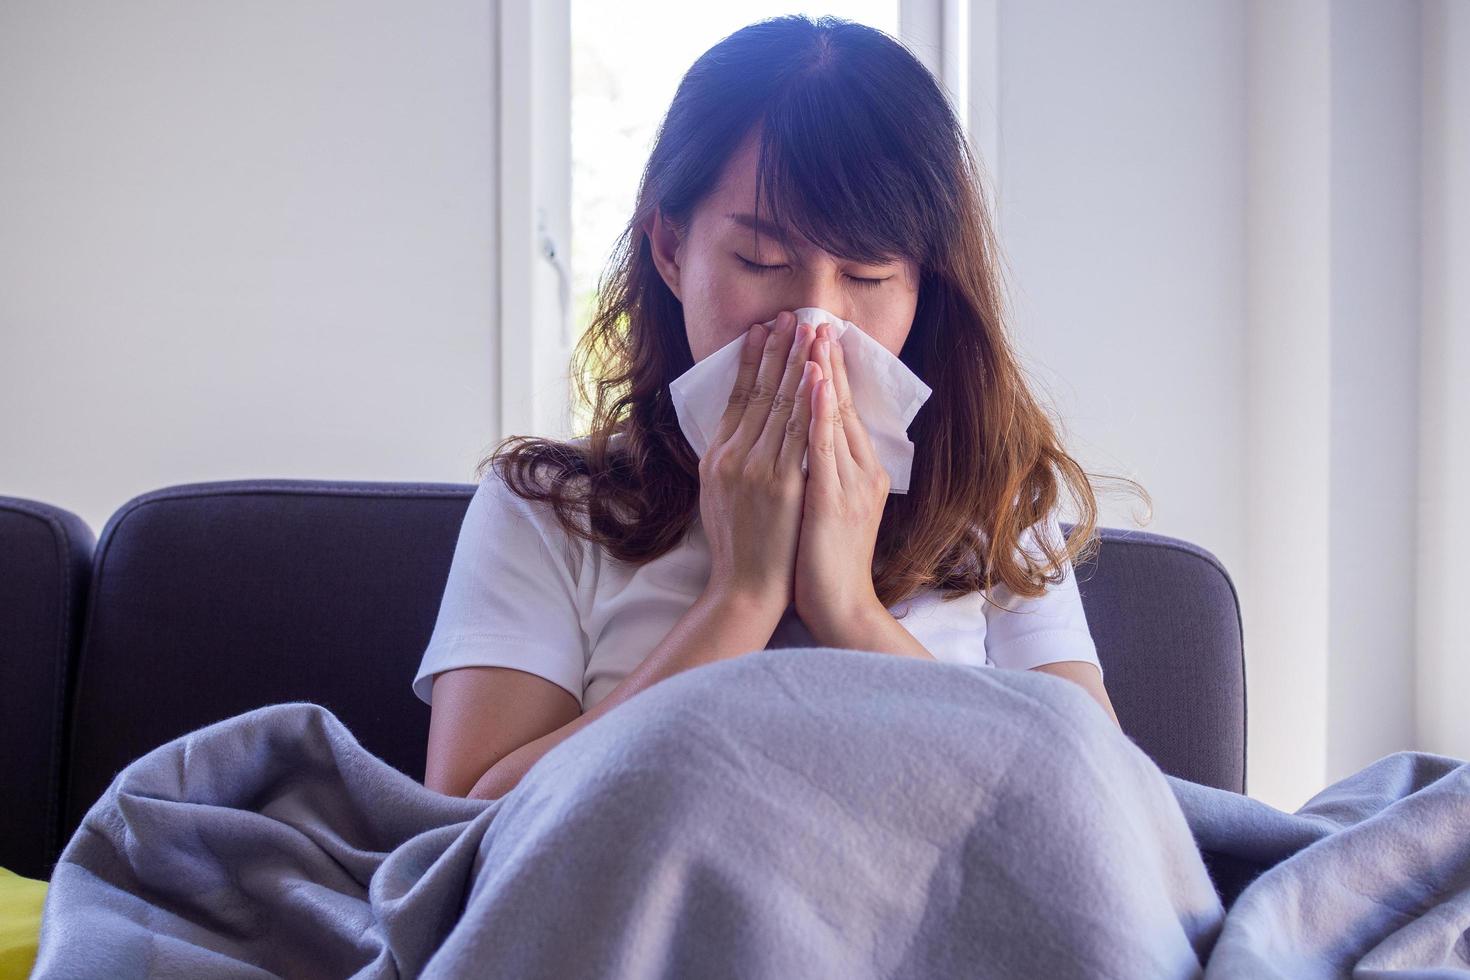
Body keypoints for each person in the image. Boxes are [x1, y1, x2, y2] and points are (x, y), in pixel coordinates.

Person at [416, 14, 1149, 800]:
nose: (814, 323)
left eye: (866, 277)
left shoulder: (994, 512)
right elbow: (456, 833)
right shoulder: (549, 509)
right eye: (762, 261)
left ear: (923, 286)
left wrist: (849, 612)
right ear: (669, 248)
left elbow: (1102, 809)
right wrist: (738, 601)